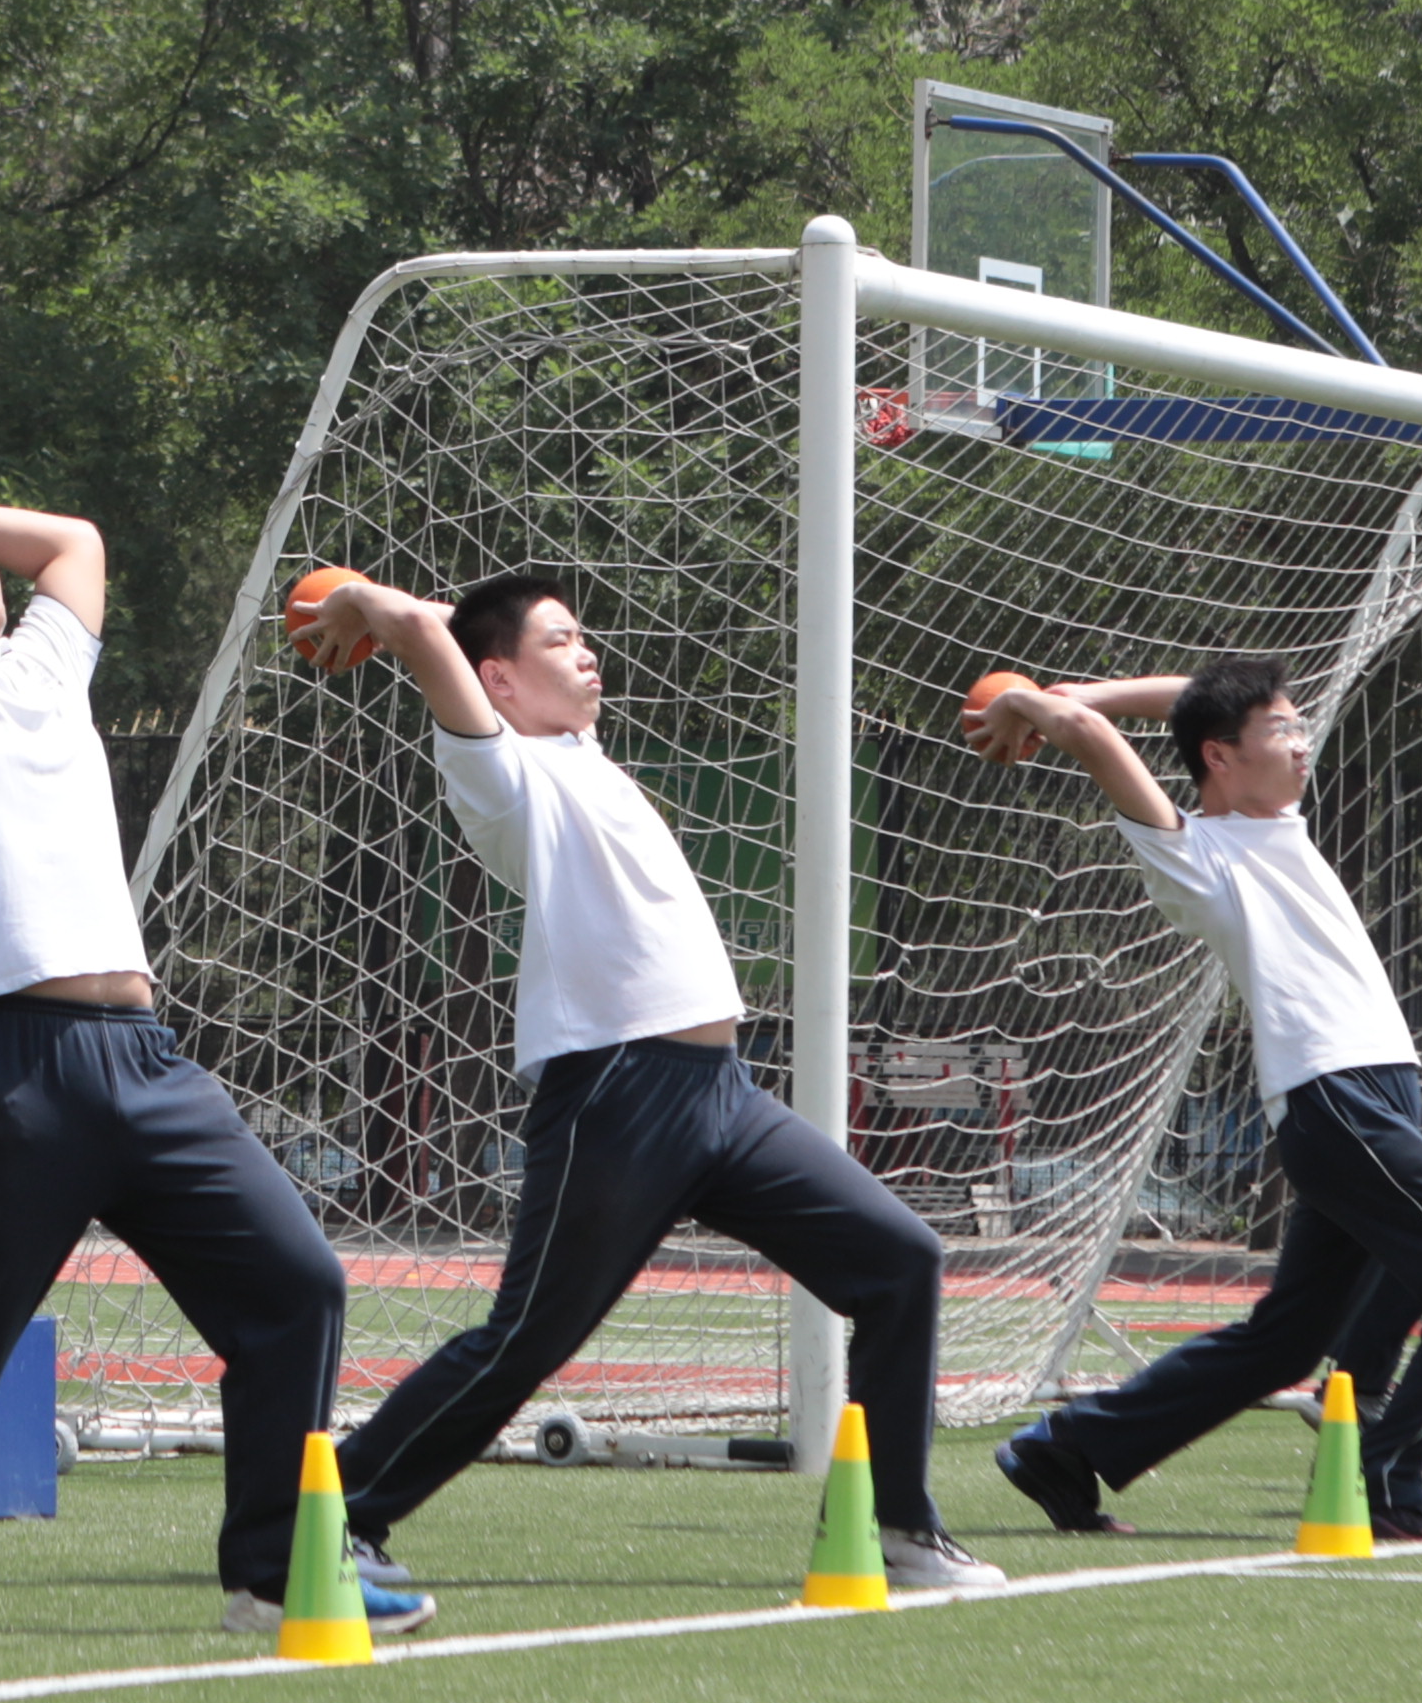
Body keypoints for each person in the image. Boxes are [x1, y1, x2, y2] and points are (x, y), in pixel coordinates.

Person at [292, 568, 1001, 1599]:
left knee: (901, 1260)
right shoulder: (502, 774)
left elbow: (453, 638)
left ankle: (902, 1529)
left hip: (722, 1093)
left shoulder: (583, 759)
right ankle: (338, 1515)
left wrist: (403, 612)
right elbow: (420, 635)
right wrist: (365, 604)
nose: (589, 653)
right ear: (498, 678)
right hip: (618, 1093)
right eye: (560, 641)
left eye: (585, 637)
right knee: (530, 1336)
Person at [0, 466, 362, 1639]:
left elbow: (78, 540)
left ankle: (270, 1571)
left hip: (143, 1055)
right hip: (7, 1063)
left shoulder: (43, 665)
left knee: (299, 1286)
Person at [969, 657, 1422, 1547]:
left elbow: (1197, 696)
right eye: (1280, 731)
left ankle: (1063, 1450)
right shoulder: (1196, 855)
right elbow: (1099, 741)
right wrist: (1032, 706)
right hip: (1337, 1101)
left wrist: (1084, 695)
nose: (1301, 739)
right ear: (1220, 760)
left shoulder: (1275, 823)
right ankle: (1388, 1480)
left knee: (1285, 1343)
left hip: (1370, 1098)